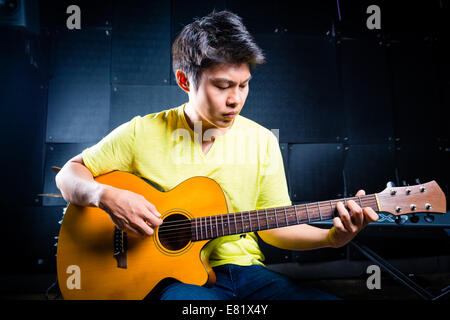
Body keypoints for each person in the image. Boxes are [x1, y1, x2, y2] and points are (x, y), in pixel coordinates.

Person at [55, 10, 379, 300]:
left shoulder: (262, 141)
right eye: (223, 86)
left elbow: (274, 227)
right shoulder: (142, 131)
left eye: (243, 85)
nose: (235, 100)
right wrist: (105, 195)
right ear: (185, 80)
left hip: (247, 274)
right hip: (172, 282)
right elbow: (68, 175)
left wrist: (333, 238)